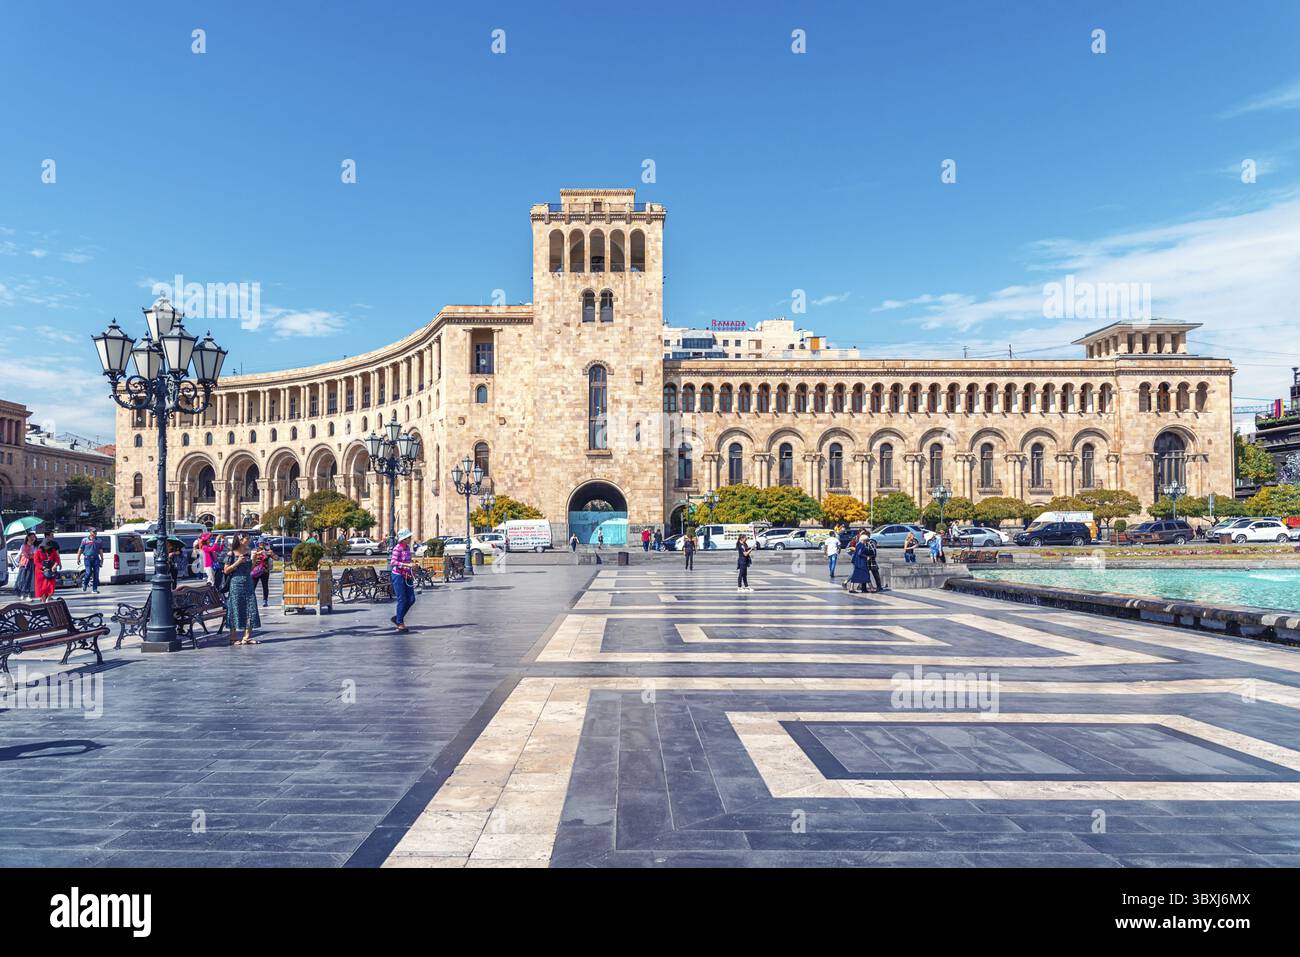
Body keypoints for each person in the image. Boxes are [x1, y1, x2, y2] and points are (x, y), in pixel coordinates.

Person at [222, 535, 261, 645]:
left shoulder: (248, 552)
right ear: (240, 540)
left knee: (251, 608)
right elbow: (226, 571)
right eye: (246, 539)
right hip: (236, 584)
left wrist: (253, 559)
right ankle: (233, 638)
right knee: (235, 608)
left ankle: (247, 637)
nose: (248, 540)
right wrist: (238, 562)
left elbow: (251, 569)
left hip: (248, 583)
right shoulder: (231, 554)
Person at [390, 528, 416, 633]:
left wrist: (413, 564)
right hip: (398, 576)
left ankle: (398, 617)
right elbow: (393, 562)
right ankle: (400, 623)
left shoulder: (407, 548)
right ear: (403, 539)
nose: (410, 539)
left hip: (407, 575)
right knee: (402, 599)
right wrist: (406, 564)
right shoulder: (397, 548)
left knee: (411, 599)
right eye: (408, 537)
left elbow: (408, 560)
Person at [34, 535, 61, 602]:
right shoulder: (38, 552)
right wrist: (43, 567)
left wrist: (55, 565)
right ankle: (43, 599)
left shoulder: (53, 551)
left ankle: (49, 597)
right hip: (40, 571)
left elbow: (57, 559)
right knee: (42, 587)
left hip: (50, 570)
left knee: (51, 585)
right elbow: (36, 562)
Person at [76, 528, 102, 594]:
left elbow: (100, 550)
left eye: (96, 532)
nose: (95, 533)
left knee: (96, 574)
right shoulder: (85, 540)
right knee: (88, 572)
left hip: (96, 558)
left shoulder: (99, 540)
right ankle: (85, 584)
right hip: (87, 558)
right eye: (94, 532)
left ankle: (94, 589)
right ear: (90, 532)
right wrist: (78, 558)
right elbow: (80, 549)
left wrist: (102, 559)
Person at [14, 531, 37, 600]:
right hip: (25, 564)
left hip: (32, 564)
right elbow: (26, 555)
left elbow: (36, 555)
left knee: (31, 580)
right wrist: (31, 554)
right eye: (31, 537)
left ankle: (28, 595)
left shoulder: (35, 546)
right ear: (27, 538)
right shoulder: (23, 546)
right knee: (22, 579)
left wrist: (32, 554)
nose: (33, 538)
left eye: (34, 537)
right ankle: (22, 593)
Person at [251, 540, 272, 607]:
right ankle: (251, 600)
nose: (261, 545)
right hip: (255, 572)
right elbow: (251, 558)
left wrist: (271, 554)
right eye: (260, 543)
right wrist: (258, 553)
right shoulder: (254, 550)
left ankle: (265, 600)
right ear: (258, 544)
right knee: (253, 586)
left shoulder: (267, 551)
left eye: (263, 543)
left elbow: (276, 558)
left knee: (265, 586)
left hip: (265, 571)